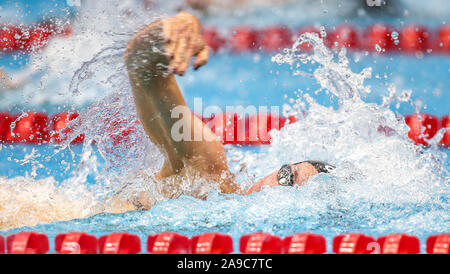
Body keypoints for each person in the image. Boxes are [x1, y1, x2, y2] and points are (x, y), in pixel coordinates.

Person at [124, 12, 334, 209]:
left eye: (287, 185)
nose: (278, 185)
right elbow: (142, 68)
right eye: (287, 174)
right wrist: (180, 27)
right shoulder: (208, 175)